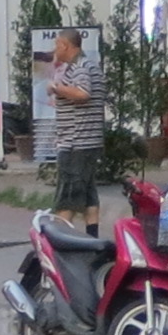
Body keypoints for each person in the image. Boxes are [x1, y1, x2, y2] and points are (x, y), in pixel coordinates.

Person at [39, 29, 101, 217]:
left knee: (66, 199)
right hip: (89, 141)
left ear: (65, 45)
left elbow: (83, 93)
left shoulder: (79, 67)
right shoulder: (91, 66)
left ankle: (62, 233)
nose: (55, 49)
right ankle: (92, 234)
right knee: (89, 196)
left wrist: (56, 88)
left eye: (57, 45)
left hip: (75, 142)